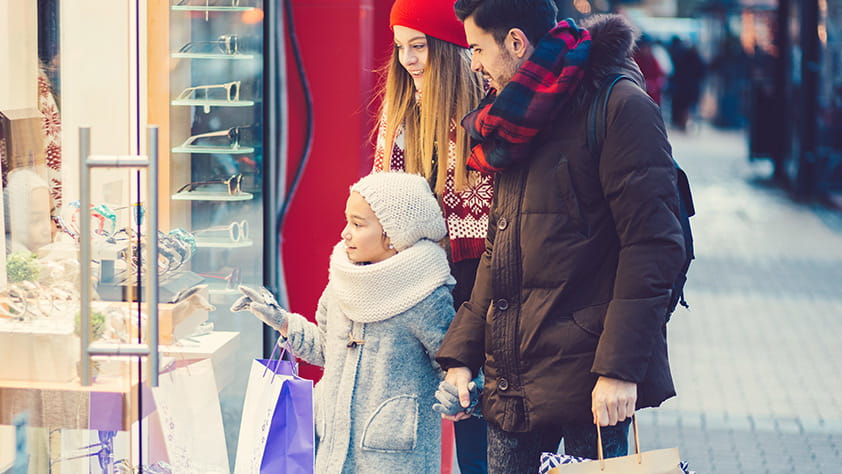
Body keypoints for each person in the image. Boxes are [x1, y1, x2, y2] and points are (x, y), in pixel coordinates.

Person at [434, 2, 687, 473]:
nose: (473, 64)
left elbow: (653, 246)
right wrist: (463, 355)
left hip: (588, 391)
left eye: (477, 49)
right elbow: (499, 248)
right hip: (513, 384)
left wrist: (619, 369)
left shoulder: (619, 106)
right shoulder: (515, 120)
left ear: (515, 42)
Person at [231, 172, 456, 473]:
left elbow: (453, 364)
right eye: (347, 221)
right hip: (332, 446)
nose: (345, 233)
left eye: (358, 224)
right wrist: (282, 321)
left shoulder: (426, 296)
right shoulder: (342, 282)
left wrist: (460, 396)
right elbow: (328, 349)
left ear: (392, 233)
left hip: (394, 458)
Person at [372, 0, 492, 471]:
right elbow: (384, 199)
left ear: (450, 48)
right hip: (423, 284)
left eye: (418, 46)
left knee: (480, 428)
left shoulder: (488, 110)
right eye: (401, 47)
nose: (408, 59)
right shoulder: (401, 113)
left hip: (481, 281)